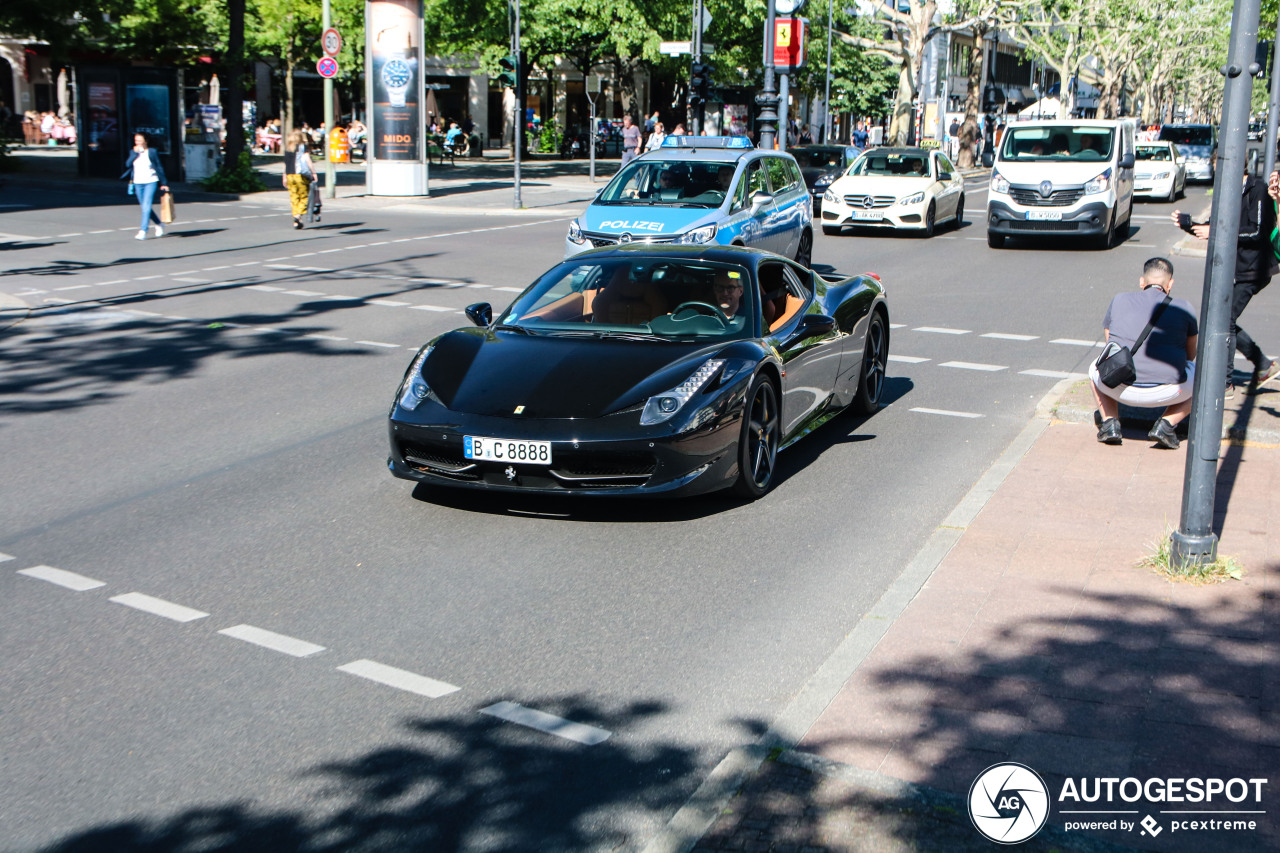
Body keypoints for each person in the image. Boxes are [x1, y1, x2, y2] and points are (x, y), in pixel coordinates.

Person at [1172, 164, 1280, 396]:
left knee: (1225, 320)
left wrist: (1216, 232)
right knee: (1223, 320)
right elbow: (1213, 227)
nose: (1216, 174)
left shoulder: (1258, 189)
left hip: (1255, 268)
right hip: (1236, 267)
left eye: (1219, 168)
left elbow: (1258, 231)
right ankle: (1263, 365)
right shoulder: (1227, 192)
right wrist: (1188, 223)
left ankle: (1226, 382)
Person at [1090, 258, 1198, 448]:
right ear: (1170, 283)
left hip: (1118, 385)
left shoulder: (1119, 299)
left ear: (1142, 282)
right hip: (1170, 391)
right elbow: (1190, 355)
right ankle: (1166, 424)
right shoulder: (1185, 307)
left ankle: (1110, 424)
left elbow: (1111, 347)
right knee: (1203, 376)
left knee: (1095, 367)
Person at [121, 133, 169, 240]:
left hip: (151, 181)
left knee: (147, 205)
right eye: (136, 140)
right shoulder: (133, 152)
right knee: (145, 207)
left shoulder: (152, 152)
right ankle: (159, 223)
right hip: (138, 182)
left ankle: (143, 230)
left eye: (139, 140)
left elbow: (159, 167)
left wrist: (164, 183)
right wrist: (134, 153)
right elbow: (127, 164)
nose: (137, 142)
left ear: (145, 141)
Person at [282, 129, 315, 230]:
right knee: (304, 195)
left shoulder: (287, 148)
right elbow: (307, 159)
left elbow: (285, 164)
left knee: (294, 197)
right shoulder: (302, 147)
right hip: (300, 175)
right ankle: (298, 215)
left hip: (289, 175)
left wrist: (284, 176)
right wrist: (313, 172)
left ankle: (296, 220)